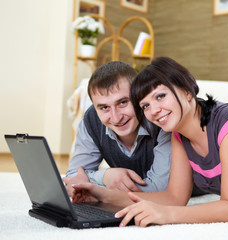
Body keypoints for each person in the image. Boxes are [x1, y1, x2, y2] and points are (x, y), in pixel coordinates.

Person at [72, 56, 228, 227]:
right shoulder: (179, 135)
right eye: (146, 105)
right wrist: (101, 196)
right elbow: (173, 198)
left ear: (186, 90)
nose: (154, 110)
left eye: (161, 96)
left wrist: (166, 216)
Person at [63, 61, 171, 196]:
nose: (116, 118)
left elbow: (160, 189)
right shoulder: (91, 120)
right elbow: (74, 177)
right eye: (104, 108)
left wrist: (99, 189)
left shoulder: (160, 119)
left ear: (138, 96)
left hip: (196, 189)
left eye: (123, 102)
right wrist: (106, 176)